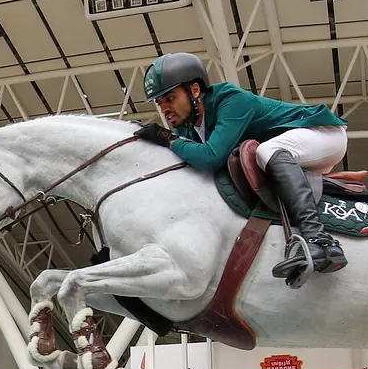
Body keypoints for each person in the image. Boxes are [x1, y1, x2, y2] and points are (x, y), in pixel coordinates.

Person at [134, 52, 351, 286]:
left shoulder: (230, 99)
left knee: (265, 151)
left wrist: (166, 138)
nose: (165, 108)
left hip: (322, 134)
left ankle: (320, 241)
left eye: (169, 97)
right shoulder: (189, 130)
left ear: (195, 91)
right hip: (291, 154)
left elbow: (210, 158)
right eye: (160, 102)